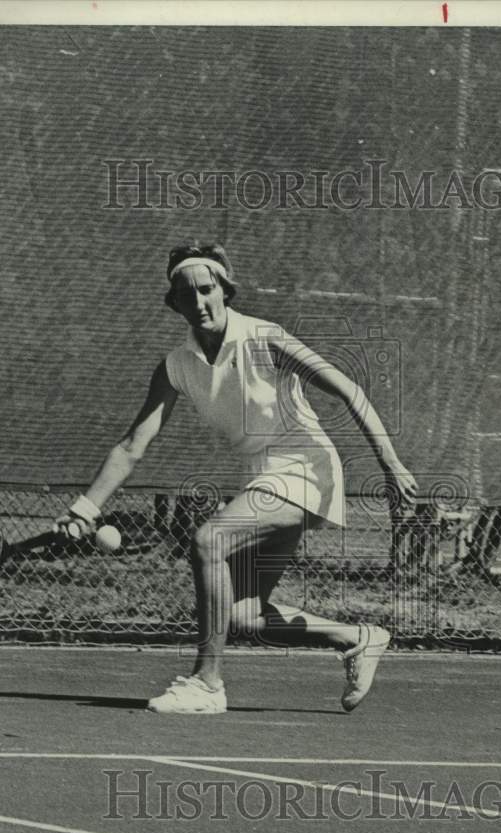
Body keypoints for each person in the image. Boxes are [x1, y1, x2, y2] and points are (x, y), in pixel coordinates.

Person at [56, 242, 417, 714]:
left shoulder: (265, 338)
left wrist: (391, 463)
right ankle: (359, 637)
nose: (200, 302)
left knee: (210, 541)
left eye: (207, 290)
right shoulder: (176, 366)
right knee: (245, 615)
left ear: (225, 291)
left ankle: (207, 683)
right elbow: (131, 446)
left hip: (305, 468)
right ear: (175, 304)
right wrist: (86, 507)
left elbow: (348, 389)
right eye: (187, 295)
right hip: (262, 475)